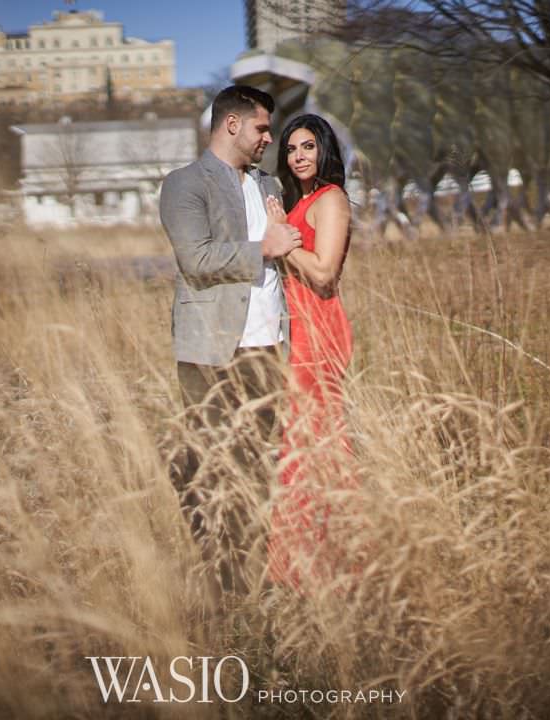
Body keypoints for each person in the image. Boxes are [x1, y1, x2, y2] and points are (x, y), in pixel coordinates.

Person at [159, 85, 302, 598]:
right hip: (210, 351)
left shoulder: (270, 185)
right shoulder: (184, 184)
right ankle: (220, 580)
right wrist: (262, 246)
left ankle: (258, 577)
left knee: (261, 464)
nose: (270, 138)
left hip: (268, 348)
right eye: (263, 128)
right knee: (214, 464)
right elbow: (195, 260)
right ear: (233, 125)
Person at [264, 113, 355, 589]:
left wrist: (282, 244)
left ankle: (339, 561)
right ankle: (307, 564)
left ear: (324, 150)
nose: (298, 156)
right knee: (301, 444)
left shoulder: (331, 199)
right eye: (291, 149)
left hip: (320, 329)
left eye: (307, 147)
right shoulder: (300, 202)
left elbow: (324, 274)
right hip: (298, 329)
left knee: (317, 445)